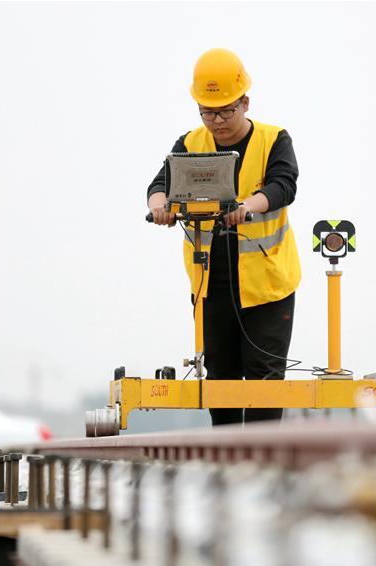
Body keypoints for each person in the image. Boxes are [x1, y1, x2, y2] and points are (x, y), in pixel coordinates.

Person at [146, 48, 301, 427]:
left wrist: (249, 205)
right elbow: (159, 183)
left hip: (267, 287)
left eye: (225, 111)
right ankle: (228, 471)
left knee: (265, 381)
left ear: (245, 102)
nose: (216, 121)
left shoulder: (273, 140)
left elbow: (284, 186)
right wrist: (160, 205)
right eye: (207, 111)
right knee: (222, 382)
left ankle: (264, 468)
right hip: (210, 286)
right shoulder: (190, 144)